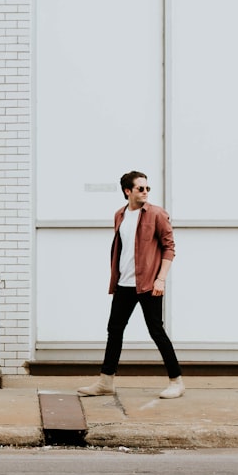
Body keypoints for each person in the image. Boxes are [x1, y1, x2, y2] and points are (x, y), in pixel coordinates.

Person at [78, 170, 183, 400]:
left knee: (156, 331)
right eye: (140, 188)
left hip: (148, 284)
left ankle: (176, 381)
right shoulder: (120, 215)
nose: (145, 192)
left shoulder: (157, 214)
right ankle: (106, 382)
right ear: (128, 191)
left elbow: (169, 248)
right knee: (114, 330)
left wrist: (161, 279)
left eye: (147, 188)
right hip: (124, 283)